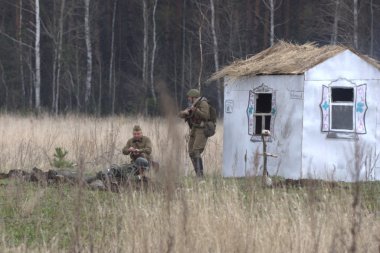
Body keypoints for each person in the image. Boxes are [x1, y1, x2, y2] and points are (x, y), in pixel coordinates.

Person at [179, 89, 210, 177]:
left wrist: (195, 110)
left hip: (202, 129)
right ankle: (198, 174)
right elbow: (180, 115)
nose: (188, 98)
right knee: (191, 152)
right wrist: (184, 112)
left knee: (196, 151)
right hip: (194, 129)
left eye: (189, 97)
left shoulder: (203, 103)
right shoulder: (193, 104)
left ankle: (200, 175)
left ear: (193, 97)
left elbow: (205, 116)